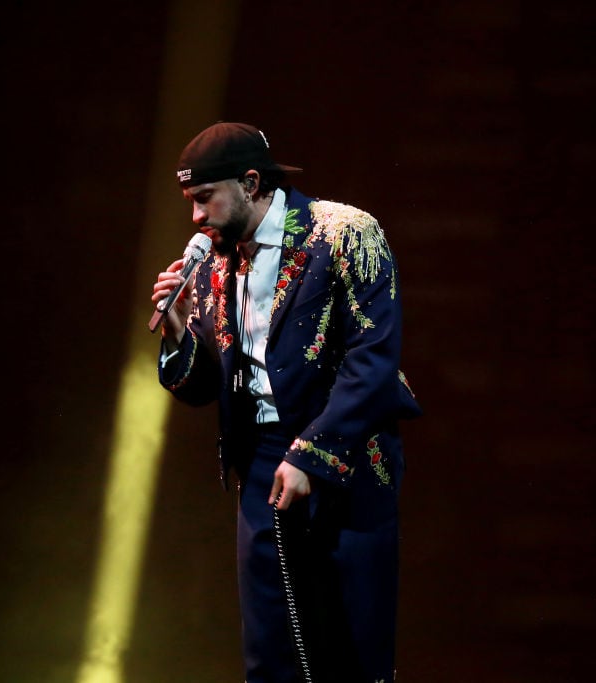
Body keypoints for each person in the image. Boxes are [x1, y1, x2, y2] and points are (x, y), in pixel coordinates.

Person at [150, 122, 422, 683]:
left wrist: (310, 454)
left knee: (351, 645)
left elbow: (373, 359)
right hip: (260, 462)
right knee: (272, 652)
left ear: (250, 183)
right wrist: (178, 331)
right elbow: (203, 389)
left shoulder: (343, 232)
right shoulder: (214, 264)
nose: (196, 218)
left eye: (205, 199)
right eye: (190, 203)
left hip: (344, 455)